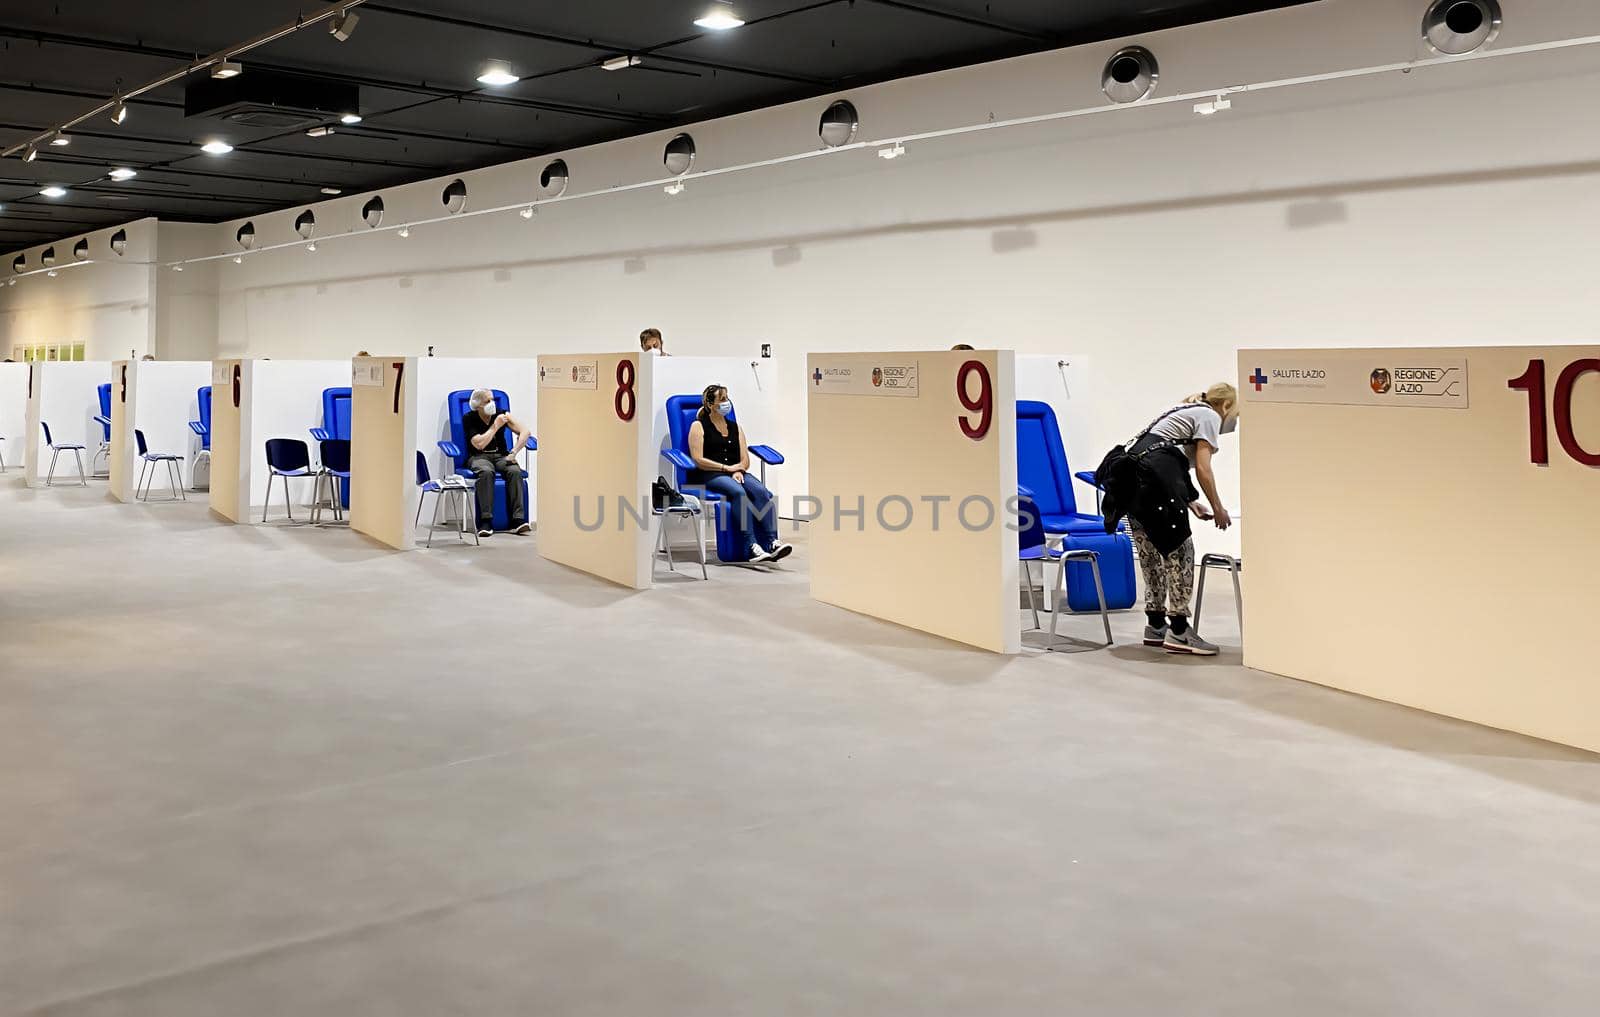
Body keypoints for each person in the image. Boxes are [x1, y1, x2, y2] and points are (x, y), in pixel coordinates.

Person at [1099, 382, 1237, 656]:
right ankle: (1179, 632)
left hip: (1133, 486)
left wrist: (1190, 501)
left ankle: (1155, 625)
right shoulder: (1209, 415)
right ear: (1227, 406)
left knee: (1150, 553)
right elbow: (1202, 469)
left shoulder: (1181, 410)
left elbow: (1162, 460)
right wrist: (1218, 507)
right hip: (1153, 484)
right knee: (1181, 554)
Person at [687, 383, 791, 563]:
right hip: (710, 474)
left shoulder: (736, 428)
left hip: (736, 472)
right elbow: (698, 460)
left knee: (760, 491)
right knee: (738, 492)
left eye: (727, 398)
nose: (727, 402)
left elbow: (745, 460)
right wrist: (727, 469)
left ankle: (772, 542)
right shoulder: (698, 426)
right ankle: (751, 546)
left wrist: (739, 469)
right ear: (711, 405)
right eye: (722, 399)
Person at [461, 388, 531, 537]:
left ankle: (517, 520)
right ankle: (486, 521)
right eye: (487, 401)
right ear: (478, 405)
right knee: (486, 472)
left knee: (514, 471)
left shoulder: (501, 413)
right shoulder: (469, 418)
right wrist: (495, 426)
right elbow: (479, 444)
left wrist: (514, 452)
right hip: (479, 456)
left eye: (492, 400)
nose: (492, 404)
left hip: (501, 456)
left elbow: (525, 431)